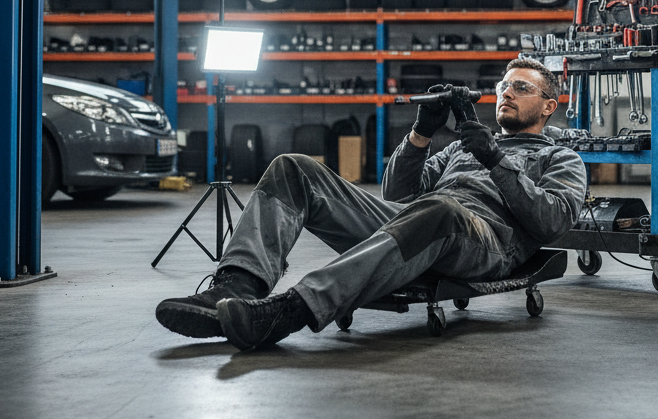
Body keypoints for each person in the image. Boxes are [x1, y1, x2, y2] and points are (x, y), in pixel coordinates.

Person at [155, 56, 588, 351]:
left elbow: (552, 222)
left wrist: (494, 160)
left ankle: (288, 312)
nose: (506, 93)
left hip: (488, 242)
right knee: (294, 167)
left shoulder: (561, 158)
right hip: (424, 221)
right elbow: (397, 196)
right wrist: (421, 134)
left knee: (441, 211)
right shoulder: (463, 148)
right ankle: (237, 288)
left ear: (549, 106)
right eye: (503, 85)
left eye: (520, 87)